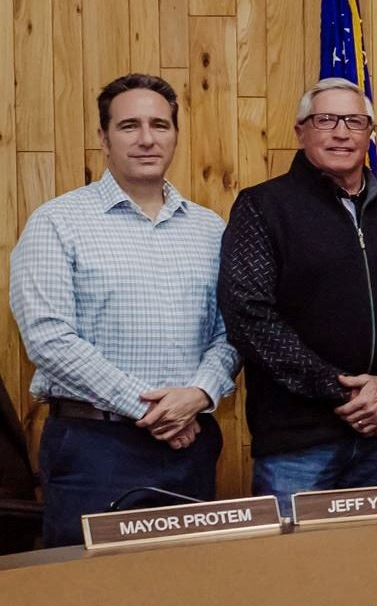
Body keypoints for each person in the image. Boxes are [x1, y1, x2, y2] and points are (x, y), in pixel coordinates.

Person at [11, 74, 237, 546]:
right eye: (129, 125)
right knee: (87, 600)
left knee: (187, 594)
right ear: (103, 138)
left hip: (191, 445)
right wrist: (153, 409)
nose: (147, 138)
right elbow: (49, 338)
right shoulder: (57, 222)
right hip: (95, 449)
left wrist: (198, 393)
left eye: (160, 124)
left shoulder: (209, 229)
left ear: (175, 134)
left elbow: (232, 330)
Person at [219, 78, 377, 516]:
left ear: (369, 134)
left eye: (355, 121)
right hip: (297, 445)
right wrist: (339, 392)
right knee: (294, 576)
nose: (341, 132)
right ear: (300, 131)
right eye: (326, 120)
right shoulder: (263, 207)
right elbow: (249, 314)